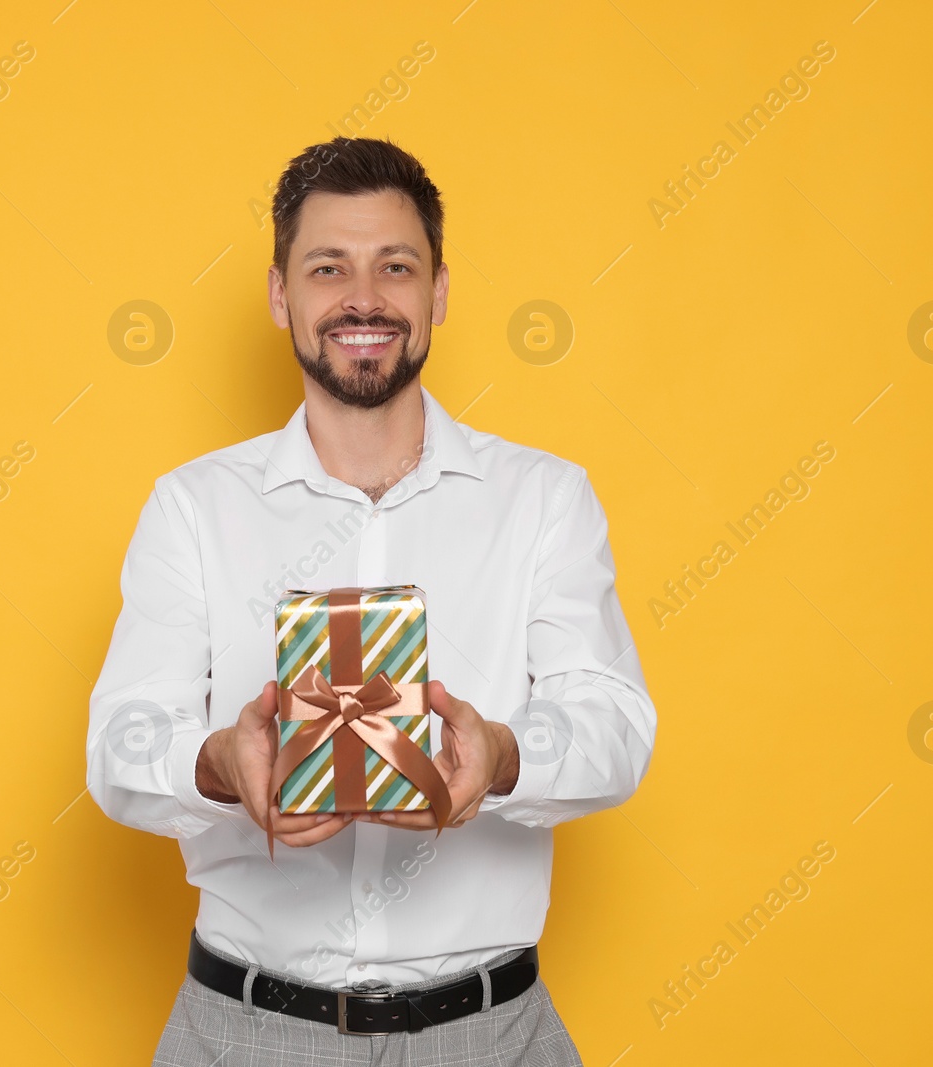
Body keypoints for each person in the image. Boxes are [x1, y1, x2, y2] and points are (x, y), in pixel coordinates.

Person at [87, 136, 657, 1065]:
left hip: (490, 1034)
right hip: (244, 1033)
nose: (364, 298)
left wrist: (507, 754)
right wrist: (218, 763)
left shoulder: (546, 497)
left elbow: (616, 723)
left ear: (437, 292)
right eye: (328, 268)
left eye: (396, 266)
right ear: (281, 295)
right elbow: (119, 744)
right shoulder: (192, 506)